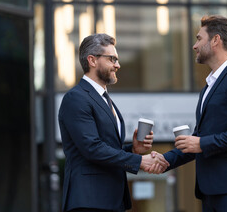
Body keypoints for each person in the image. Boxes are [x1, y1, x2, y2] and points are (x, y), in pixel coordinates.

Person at [151, 15, 227, 211]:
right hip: (212, 192)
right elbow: (199, 140)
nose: (194, 46)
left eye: (199, 38)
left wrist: (201, 143)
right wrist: (166, 159)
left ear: (215, 40)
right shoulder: (208, 87)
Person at [58, 33, 169, 212]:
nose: (117, 65)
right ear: (92, 60)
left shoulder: (105, 100)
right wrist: (139, 160)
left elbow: (105, 148)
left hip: (111, 201)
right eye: (112, 59)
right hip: (89, 201)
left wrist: (133, 149)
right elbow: (92, 148)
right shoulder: (76, 98)